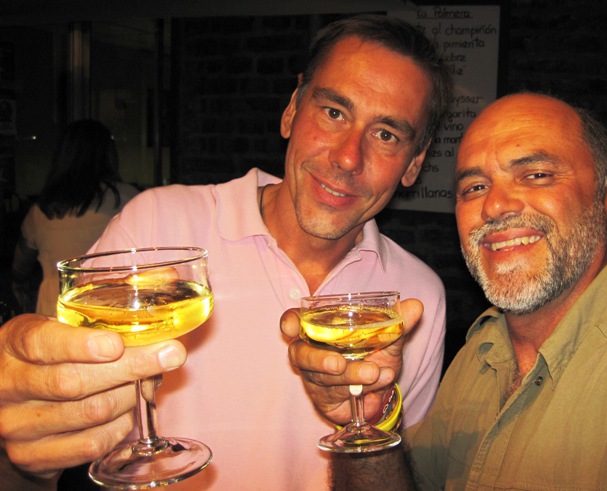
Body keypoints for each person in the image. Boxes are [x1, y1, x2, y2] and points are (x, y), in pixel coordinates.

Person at [0, 15, 450, 490]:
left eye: (386, 135)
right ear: (292, 109)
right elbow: (44, 434)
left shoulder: (419, 298)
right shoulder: (156, 225)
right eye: (333, 112)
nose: (347, 157)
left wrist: (374, 420)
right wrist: (18, 423)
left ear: (414, 164)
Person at [283, 92, 607, 490]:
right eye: (474, 187)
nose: (494, 206)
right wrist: (370, 422)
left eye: (536, 175)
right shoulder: (480, 353)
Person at [11, 119, 139, 316]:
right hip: (112, 313)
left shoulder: (43, 210)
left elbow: (19, 268)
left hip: (55, 315)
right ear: (109, 154)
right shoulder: (129, 200)